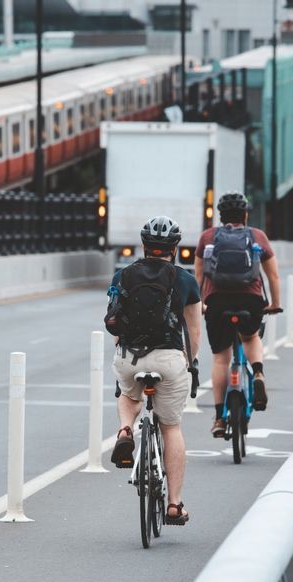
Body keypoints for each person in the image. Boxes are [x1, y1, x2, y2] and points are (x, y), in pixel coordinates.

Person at [105, 216, 201, 525]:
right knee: (171, 427)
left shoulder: (123, 276)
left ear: (144, 246)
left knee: (129, 394)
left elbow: (116, 323)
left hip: (130, 356)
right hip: (169, 359)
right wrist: (190, 362)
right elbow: (194, 332)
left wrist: (124, 354)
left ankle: (125, 430)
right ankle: (174, 505)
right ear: (174, 248)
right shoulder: (185, 280)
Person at [194, 192, 281, 439]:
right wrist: (275, 303)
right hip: (250, 299)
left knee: (221, 358)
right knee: (250, 336)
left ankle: (220, 417)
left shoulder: (208, 237)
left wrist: (200, 304)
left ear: (220, 216)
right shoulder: (257, 236)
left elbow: (198, 276)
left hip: (217, 301)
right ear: (245, 215)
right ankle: (259, 374)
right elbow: (273, 275)